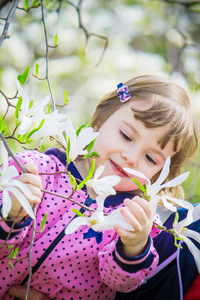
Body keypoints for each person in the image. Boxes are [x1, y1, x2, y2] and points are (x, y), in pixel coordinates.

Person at [0, 75, 198, 300]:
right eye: (126, 136)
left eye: (151, 159)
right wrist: (11, 215)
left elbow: (120, 284)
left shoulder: (132, 219)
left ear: (161, 176)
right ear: (99, 121)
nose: (131, 158)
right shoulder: (37, 171)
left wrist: (133, 246)